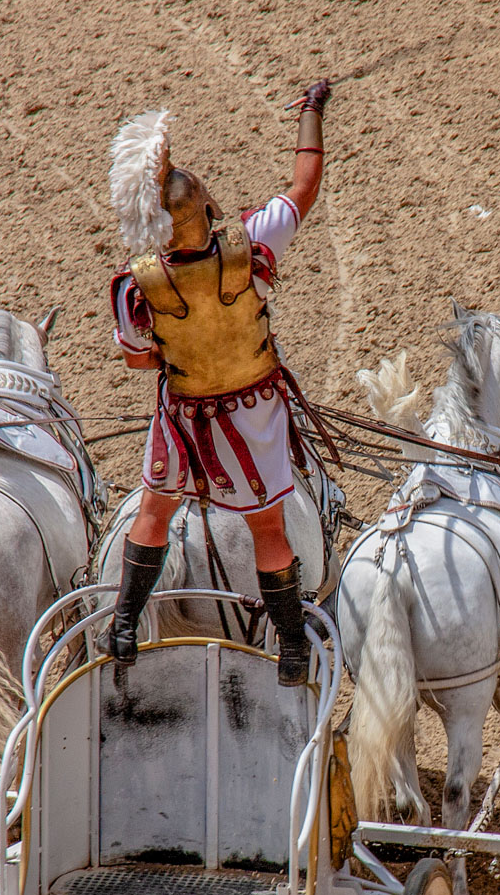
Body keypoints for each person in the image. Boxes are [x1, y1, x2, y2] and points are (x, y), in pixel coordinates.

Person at [103, 80, 332, 685]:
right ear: (206, 210)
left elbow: (137, 358)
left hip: (184, 417)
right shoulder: (252, 244)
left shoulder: (137, 284)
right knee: (268, 529)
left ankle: (124, 624)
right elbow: (303, 186)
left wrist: (186, 353)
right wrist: (311, 113)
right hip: (251, 413)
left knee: (153, 514)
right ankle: (290, 648)